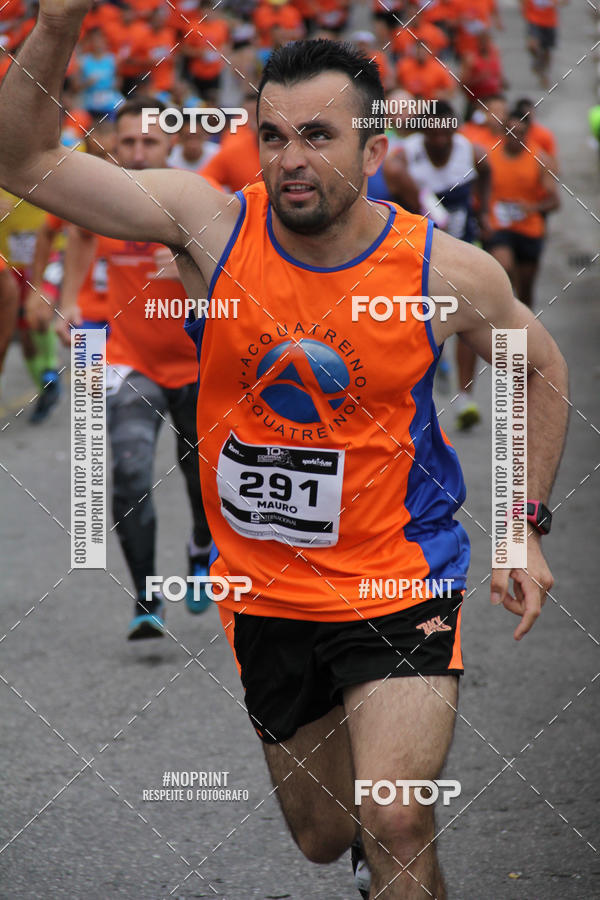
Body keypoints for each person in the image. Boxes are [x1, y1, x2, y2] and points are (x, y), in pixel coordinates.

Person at [0, 20, 568, 899]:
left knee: (396, 816)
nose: (290, 157)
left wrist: (522, 524)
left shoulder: (442, 272)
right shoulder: (211, 230)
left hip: (400, 578)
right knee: (322, 832)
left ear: (373, 149)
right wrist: (62, 19)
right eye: (272, 135)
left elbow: (538, 370)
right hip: (263, 589)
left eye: (317, 135)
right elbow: (22, 162)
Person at [385, 100, 492, 428]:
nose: (441, 139)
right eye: (434, 133)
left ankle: (465, 398)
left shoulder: (471, 151)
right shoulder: (402, 158)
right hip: (421, 248)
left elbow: (487, 173)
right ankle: (412, 395)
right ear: (423, 131)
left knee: (468, 318)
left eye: (447, 131)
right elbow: (395, 193)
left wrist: (485, 210)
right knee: (418, 320)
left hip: (463, 243)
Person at [486, 106, 559, 308]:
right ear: (503, 131)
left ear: (527, 133)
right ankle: (503, 323)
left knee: (525, 293)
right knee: (504, 269)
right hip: (498, 227)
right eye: (510, 131)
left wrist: (532, 207)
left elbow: (555, 201)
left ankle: (523, 333)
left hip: (529, 229)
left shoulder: (540, 158)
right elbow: (476, 188)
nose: (514, 137)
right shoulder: (488, 155)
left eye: (519, 133)